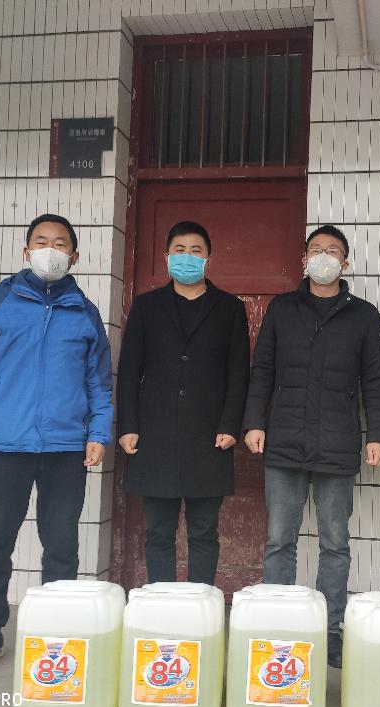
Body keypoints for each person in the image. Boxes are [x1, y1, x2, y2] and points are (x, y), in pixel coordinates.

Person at [0, 213, 113, 674]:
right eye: (41, 241)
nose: (50, 250)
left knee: (61, 545)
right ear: (26, 251)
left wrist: (98, 433)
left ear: (73, 257)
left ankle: (55, 635)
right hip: (5, 444)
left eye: (60, 243)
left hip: (65, 448)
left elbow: (99, 382)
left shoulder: (85, 312)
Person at [243, 224, 380, 668]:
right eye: (316, 249)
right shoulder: (283, 308)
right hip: (284, 441)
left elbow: (376, 380)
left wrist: (378, 434)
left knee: (335, 543)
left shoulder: (363, 315)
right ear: (304, 259)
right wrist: (254, 421)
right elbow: (262, 369)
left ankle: (329, 630)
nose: (324, 256)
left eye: (332, 251)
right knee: (279, 541)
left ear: (345, 262)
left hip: (337, 442)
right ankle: (277, 626)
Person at [116, 221, 250, 586]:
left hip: (210, 436)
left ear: (208, 258)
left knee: (204, 531)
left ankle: (200, 603)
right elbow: (129, 371)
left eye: (195, 251)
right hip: (154, 436)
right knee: (158, 531)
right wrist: (128, 426)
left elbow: (239, 373)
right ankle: (163, 603)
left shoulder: (229, 308)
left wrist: (230, 424)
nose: (187, 257)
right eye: (179, 250)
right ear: (166, 257)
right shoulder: (146, 307)